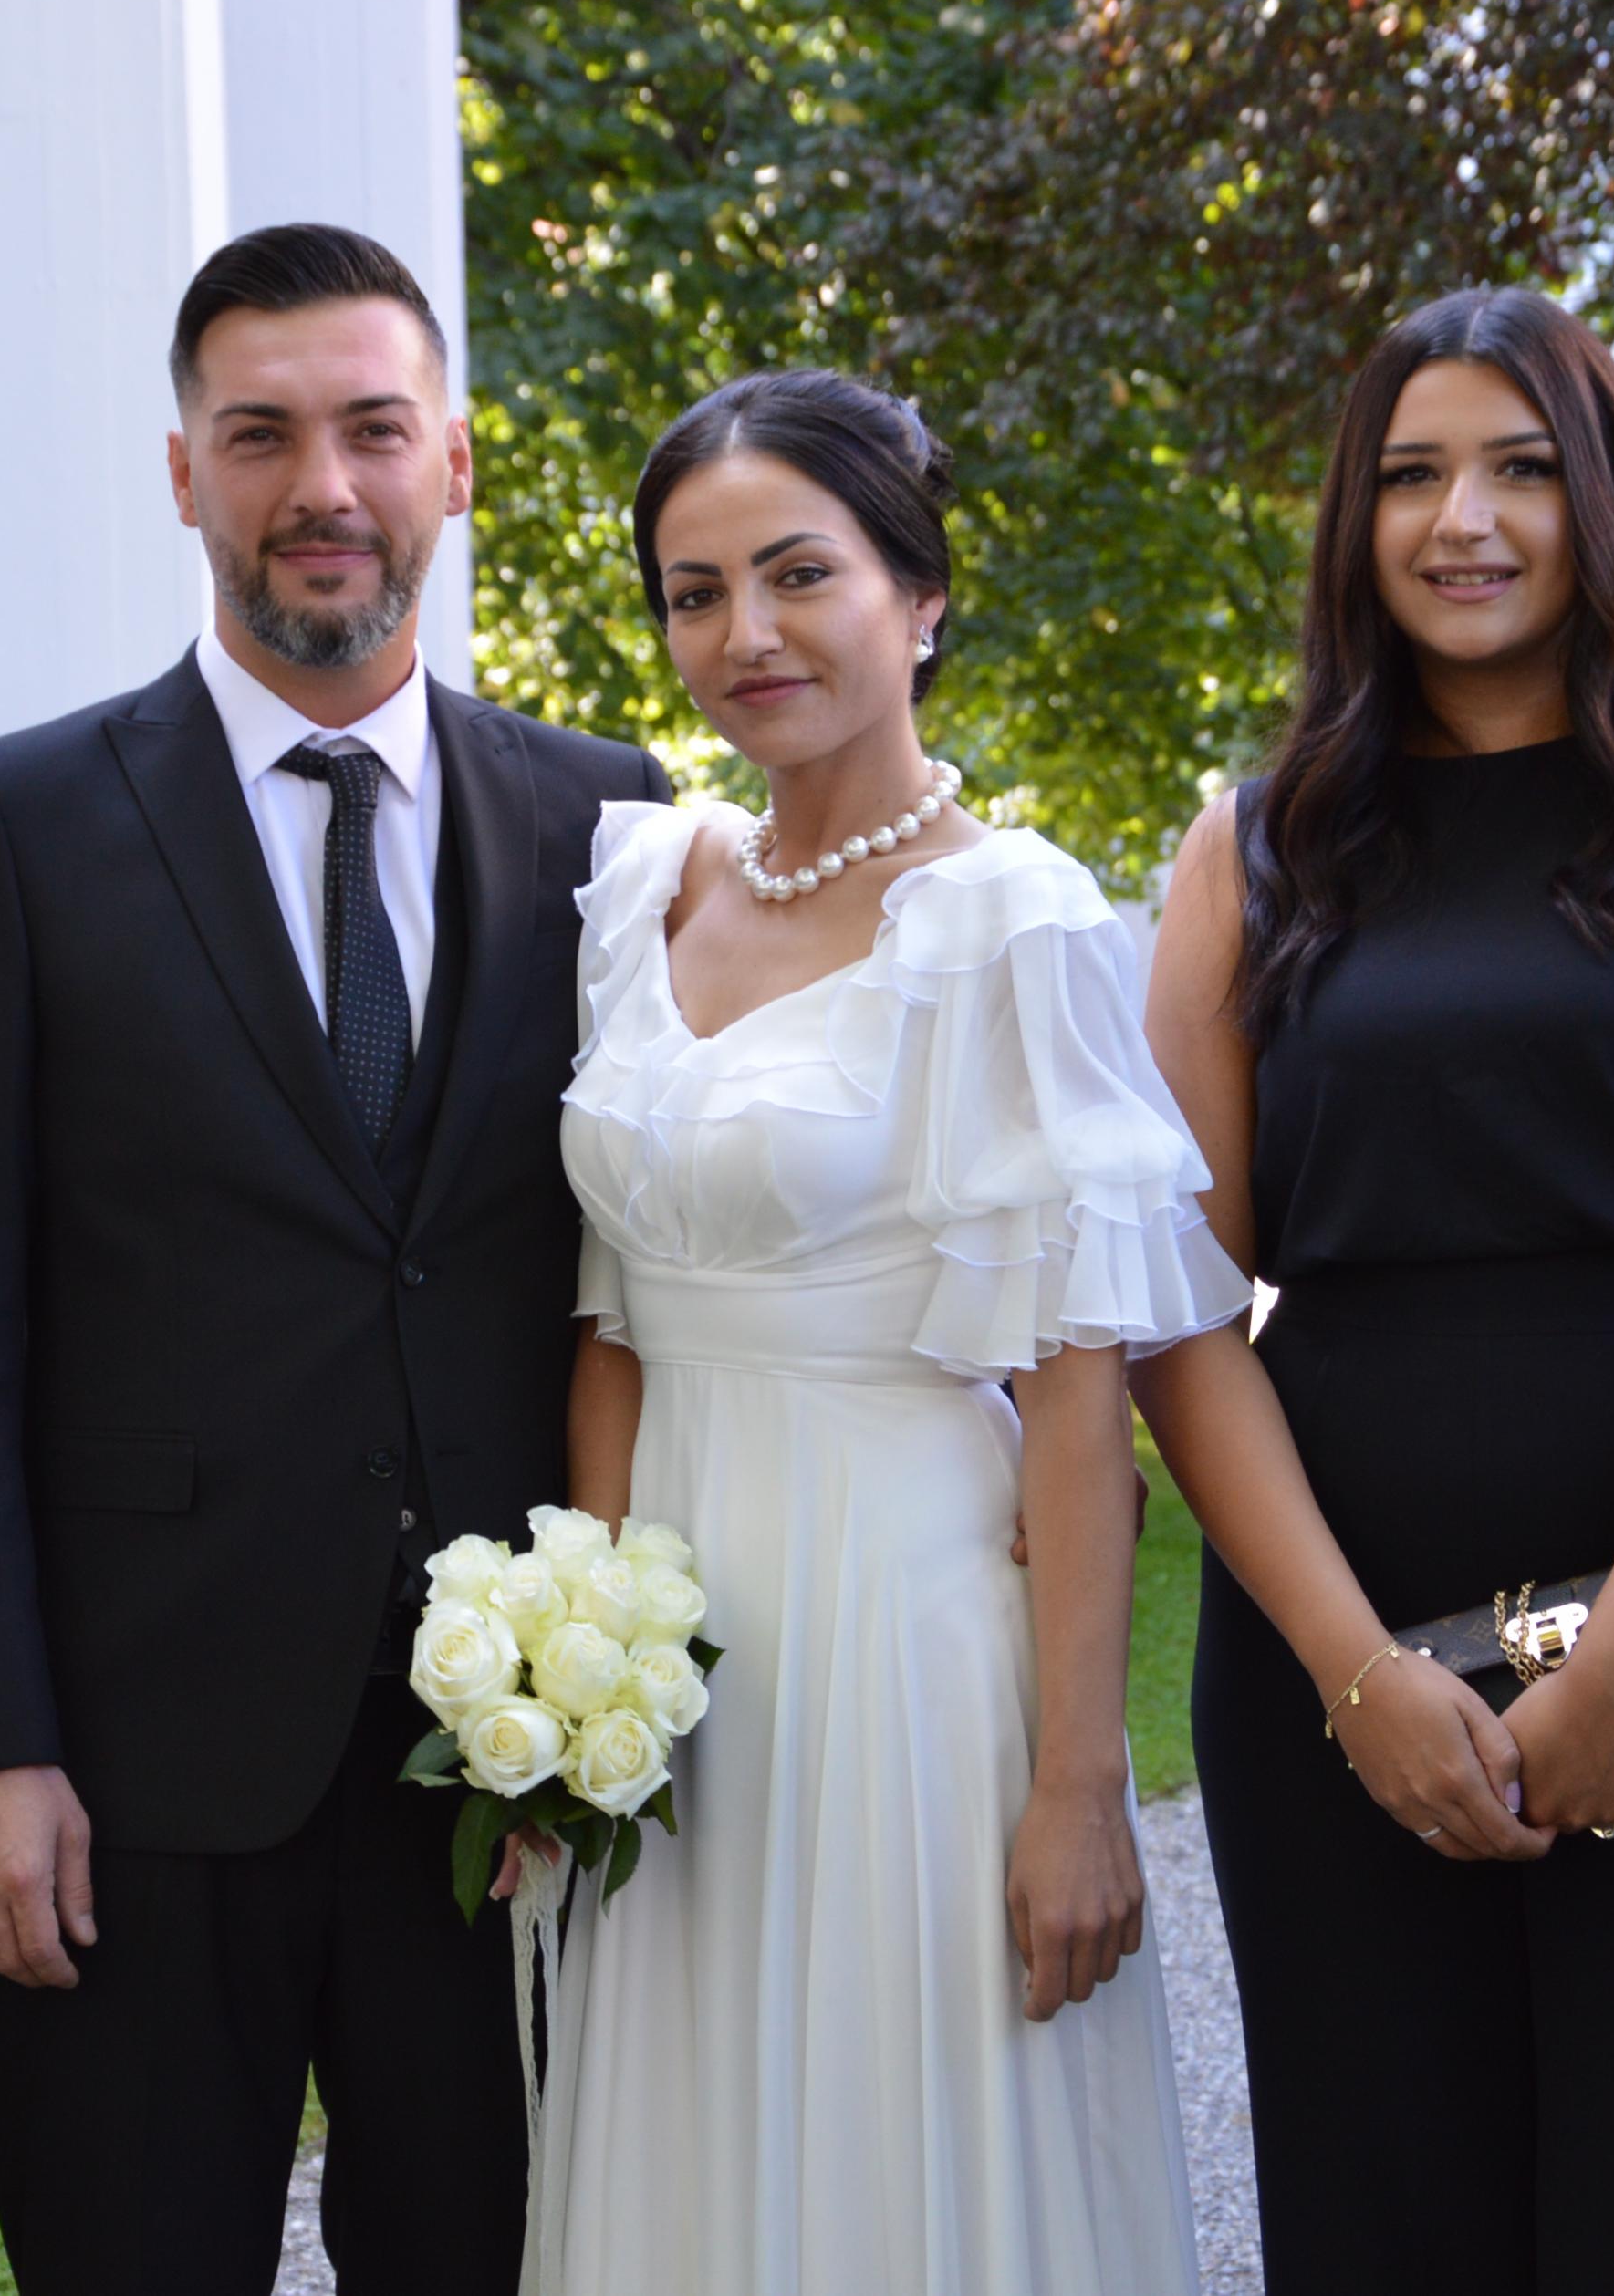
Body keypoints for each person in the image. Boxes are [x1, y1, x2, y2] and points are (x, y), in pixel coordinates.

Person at [0, 222, 672, 2291]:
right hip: (128, 1777)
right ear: (183, 474)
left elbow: (651, 1268)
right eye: (260, 435)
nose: (323, 485)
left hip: (498, 1781)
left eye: (373, 429)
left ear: (454, 462)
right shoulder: (15, 824)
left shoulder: (611, 823)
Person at [1129, 286, 1614, 2291]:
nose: (1459, 519)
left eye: (1520, 468)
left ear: (1608, 502)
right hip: (1333, 1651)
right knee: (1382, 2213)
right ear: (1355, 523)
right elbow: (1172, 1301)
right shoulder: (1252, 851)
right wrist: (1356, 1677)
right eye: (1409, 475)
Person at [525, 369, 1249, 2295]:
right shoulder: (638, 884)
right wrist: (575, 1691)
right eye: (694, 594)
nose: (743, 635)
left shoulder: (1013, 917)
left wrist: (1076, 1783)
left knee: (901, 2142)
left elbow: (1080, 1400)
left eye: (798, 574)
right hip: (669, 1644)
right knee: (690, 2139)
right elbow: (610, 1324)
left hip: (907, 1627)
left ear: (917, 595)